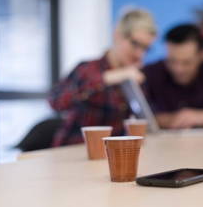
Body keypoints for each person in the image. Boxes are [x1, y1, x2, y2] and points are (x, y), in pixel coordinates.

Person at [49, 9, 157, 146]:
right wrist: (110, 77)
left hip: (112, 154)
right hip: (75, 150)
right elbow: (55, 102)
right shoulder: (87, 69)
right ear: (117, 35)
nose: (139, 54)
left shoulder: (136, 77)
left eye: (145, 49)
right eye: (135, 44)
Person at [142, 24, 203, 129]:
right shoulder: (150, 73)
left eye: (186, 62)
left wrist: (202, 117)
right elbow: (140, 115)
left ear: (201, 56)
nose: (178, 69)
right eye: (172, 61)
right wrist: (172, 119)